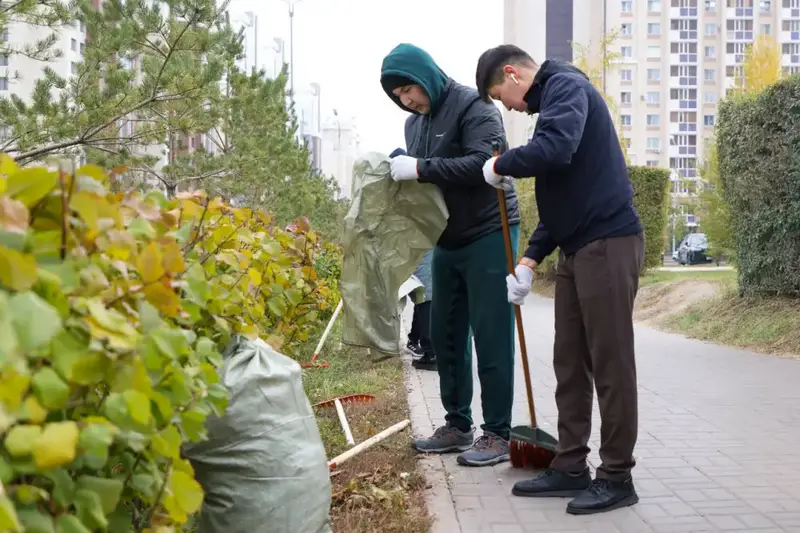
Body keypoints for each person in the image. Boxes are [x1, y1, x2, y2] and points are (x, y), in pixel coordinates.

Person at [475, 45, 645, 515]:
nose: (508, 107)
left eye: (500, 96)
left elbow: (555, 149)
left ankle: (617, 476)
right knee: (569, 361)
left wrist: (501, 165)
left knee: (610, 363)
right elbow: (562, 197)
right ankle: (571, 464)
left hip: (608, 244)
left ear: (512, 74)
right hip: (577, 250)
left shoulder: (566, 86)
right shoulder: (553, 103)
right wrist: (530, 260)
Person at [380, 43, 522, 466]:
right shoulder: (413, 124)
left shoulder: (475, 105)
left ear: (427, 75)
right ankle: (457, 425)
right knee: (445, 331)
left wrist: (421, 167)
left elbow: (484, 163)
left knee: (491, 332)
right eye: (399, 96)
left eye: (410, 90)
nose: (407, 100)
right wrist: (404, 169)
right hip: (446, 237)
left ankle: (497, 432)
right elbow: (425, 179)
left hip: (490, 230)